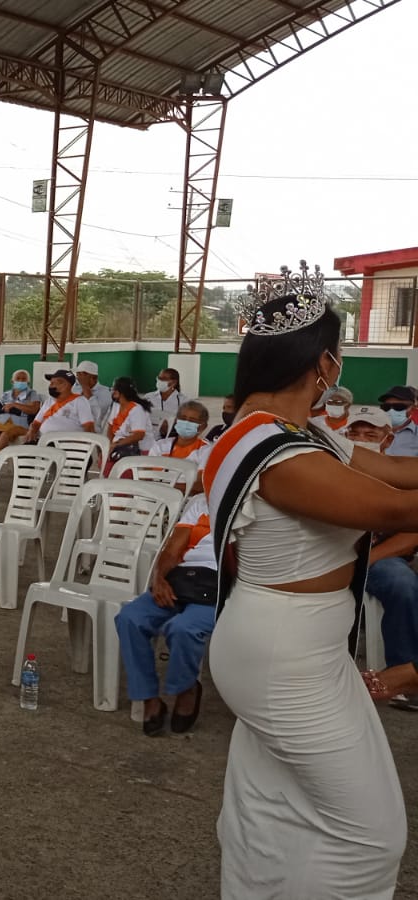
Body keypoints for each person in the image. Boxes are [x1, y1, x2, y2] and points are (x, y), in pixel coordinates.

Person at [205, 280, 418, 897]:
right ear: (323, 363)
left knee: (273, 803)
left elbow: (396, 469)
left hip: (296, 646)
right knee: (371, 836)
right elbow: (393, 507)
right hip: (284, 655)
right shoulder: (276, 451)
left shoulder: (294, 433)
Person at [114, 493, 217, 737]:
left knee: (183, 628)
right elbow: (172, 549)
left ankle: (186, 688)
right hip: (183, 579)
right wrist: (159, 579)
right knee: (130, 618)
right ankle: (149, 697)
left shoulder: (252, 507)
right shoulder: (200, 503)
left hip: (217, 587)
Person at [351, 411, 418, 711]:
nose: (360, 440)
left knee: (401, 582)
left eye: (370, 435)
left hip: (380, 557)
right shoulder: (330, 471)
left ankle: (405, 673)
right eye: (355, 433)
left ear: (388, 439)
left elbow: (412, 534)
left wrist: (367, 559)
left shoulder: (400, 476)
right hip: (331, 556)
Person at [25, 369, 94, 444]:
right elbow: (36, 423)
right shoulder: (49, 401)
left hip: (67, 444)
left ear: (66, 385)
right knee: (23, 449)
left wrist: (89, 445)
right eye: (51, 383)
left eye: (54, 383)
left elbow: (89, 427)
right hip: (44, 441)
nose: (51, 385)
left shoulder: (80, 401)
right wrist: (32, 430)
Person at [0, 368, 41, 455]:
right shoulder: (6, 394)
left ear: (28, 382)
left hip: (21, 426)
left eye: (24, 379)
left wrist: (14, 405)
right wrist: (17, 411)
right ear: (12, 381)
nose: (21, 381)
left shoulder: (32, 394)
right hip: (3, 423)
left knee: (5, 434)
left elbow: (34, 410)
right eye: (18, 379)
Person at [103, 376, 153, 462]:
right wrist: (110, 445)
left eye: (113, 389)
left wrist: (116, 445)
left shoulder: (137, 409)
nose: (112, 391)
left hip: (139, 450)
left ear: (119, 392)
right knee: (104, 459)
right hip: (120, 446)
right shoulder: (116, 405)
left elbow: (139, 435)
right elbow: (110, 428)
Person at [148, 399, 213, 467]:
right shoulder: (160, 446)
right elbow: (147, 470)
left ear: (203, 426)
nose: (186, 422)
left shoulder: (206, 451)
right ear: (176, 421)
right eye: (183, 418)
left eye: (192, 420)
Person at [378, 385, 418, 457]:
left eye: (399, 407)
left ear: (412, 409)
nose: (391, 411)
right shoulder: (369, 430)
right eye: (386, 407)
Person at [74, 360, 113, 428]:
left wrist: (85, 386)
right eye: (77, 374)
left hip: (93, 431)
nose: (77, 377)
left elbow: (96, 413)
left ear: (93, 377)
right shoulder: (75, 389)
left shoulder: (106, 393)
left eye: (80, 374)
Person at [151, 366, 187, 437]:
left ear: (174, 382)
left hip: (172, 436)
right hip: (151, 436)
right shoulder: (148, 397)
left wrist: (172, 422)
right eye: (159, 378)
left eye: (164, 379)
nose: (160, 381)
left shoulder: (184, 400)